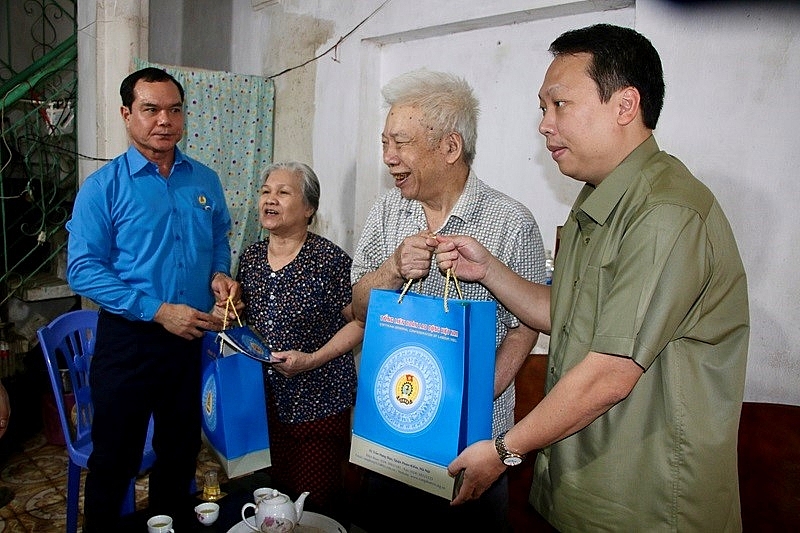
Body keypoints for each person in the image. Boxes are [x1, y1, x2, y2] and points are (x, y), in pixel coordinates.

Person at [435, 23, 749, 532]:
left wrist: (503, 450)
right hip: (582, 489)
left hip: (646, 505)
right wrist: (488, 271)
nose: (544, 124)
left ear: (625, 105)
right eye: (543, 107)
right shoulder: (597, 199)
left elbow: (611, 371)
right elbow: (567, 313)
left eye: (559, 104)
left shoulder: (664, 210)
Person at [350, 69, 546, 531]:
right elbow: (357, 308)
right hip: (391, 437)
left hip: (471, 449)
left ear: (450, 148)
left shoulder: (511, 222)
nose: (389, 158)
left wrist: (477, 395)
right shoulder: (386, 211)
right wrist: (392, 268)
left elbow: (527, 324)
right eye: (384, 144)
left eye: (401, 143)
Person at [66, 67, 240, 531]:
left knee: (179, 451)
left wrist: (220, 273)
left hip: (188, 341)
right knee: (115, 460)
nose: (164, 120)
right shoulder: (103, 188)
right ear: (127, 115)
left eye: (174, 109)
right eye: (151, 109)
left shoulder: (203, 180)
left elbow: (219, 236)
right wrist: (159, 310)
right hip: (129, 342)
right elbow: (82, 269)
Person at [235, 161, 362, 526]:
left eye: (283, 192)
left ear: (309, 208)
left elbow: (360, 323)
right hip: (266, 407)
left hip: (319, 403)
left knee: (314, 507)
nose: (270, 200)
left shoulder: (330, 261)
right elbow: (246, 322)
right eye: (265, 192)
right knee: (275, 504)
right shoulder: (252, 258)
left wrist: (313, 359)